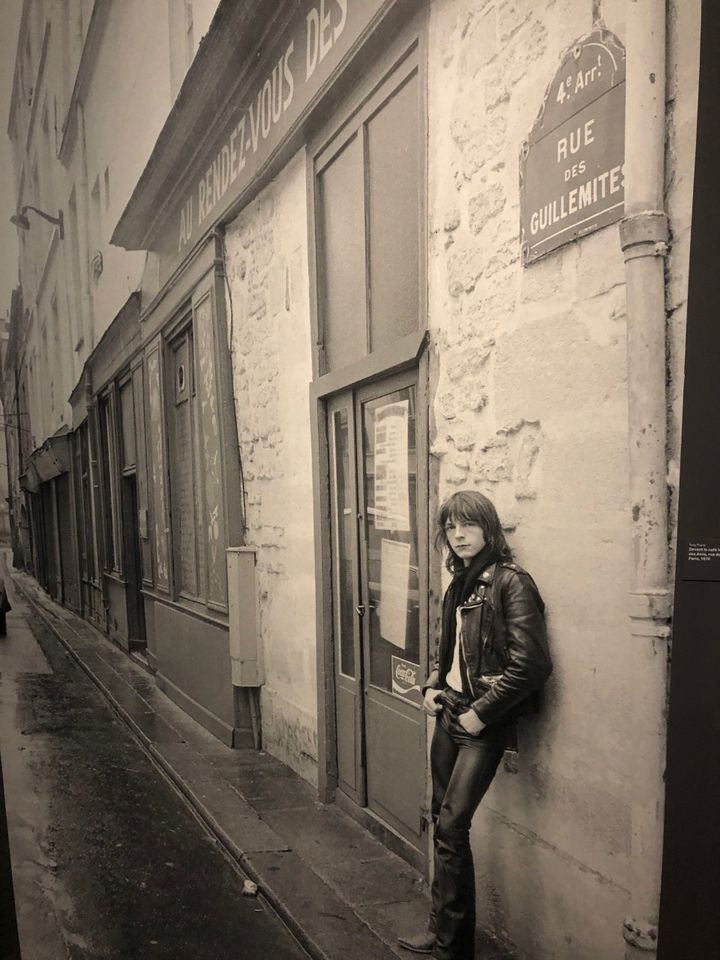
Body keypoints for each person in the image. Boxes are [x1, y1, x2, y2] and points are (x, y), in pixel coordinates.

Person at [398, 490, 552, 960]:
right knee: (439, 820)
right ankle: (441, 931)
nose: (458, 535)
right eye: (450, 527)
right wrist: (430, 685)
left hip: (481, 722)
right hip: (450, 711)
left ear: (488, 528)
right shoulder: (459, 583)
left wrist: (482, 713)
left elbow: (531, 666)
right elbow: (448, 653)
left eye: (467, 525)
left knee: (451, 827)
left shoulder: (511, 583)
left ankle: (452, 946)